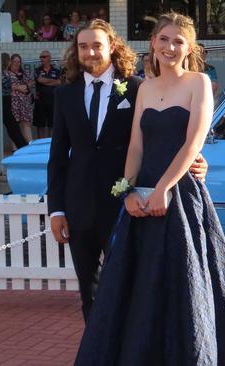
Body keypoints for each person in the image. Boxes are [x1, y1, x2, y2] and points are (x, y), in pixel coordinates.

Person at [74, 13, 225, 365]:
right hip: (142, 199)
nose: (170, 47)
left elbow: (193, 144)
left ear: (189, 47)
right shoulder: (144, 87)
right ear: (153, 43)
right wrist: (127, 191)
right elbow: (135, 148)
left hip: (181, 197)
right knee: (138, 286)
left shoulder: (199, 83)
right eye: (164, 39)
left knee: (185, 283)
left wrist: (162, 189)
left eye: (179, 41)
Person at [47, 18, 208, 325]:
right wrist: (56, 210)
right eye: (84, 46)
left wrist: (199, 159)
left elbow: (164, 134)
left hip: (126, 204)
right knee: (88, 291)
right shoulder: (65, 94)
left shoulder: (136, 88)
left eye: (97, 46)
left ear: (112, 48)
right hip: (79, 205)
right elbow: (57, 156)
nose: (91, 53)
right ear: (76, 51)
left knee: (131, 284)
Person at [6, 53, 34, 145]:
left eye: (18, 61)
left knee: (26, 123)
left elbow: (30, 85)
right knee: (14, 125)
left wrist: (20, 86)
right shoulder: (7, 74)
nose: (17, 63)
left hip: (25, 104)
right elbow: (9, 86)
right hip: (13, 104)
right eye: (15, 61)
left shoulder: (25, 74)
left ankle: (30, 145)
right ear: (11, 62)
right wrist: (19, 87)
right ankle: (15, 148)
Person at [33, 50, 61, 139]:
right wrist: (53, 81)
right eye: (40, 57)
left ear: (49, 57)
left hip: (53, 100)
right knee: (40, 124)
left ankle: (50, 143)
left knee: (52, 124)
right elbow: (39, 80)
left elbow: (60, 82)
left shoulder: (56, 71)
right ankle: (41, 143)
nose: (41, 59)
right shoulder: (37, 70)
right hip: (40, 101)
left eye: (43, 57)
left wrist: (46, 81)